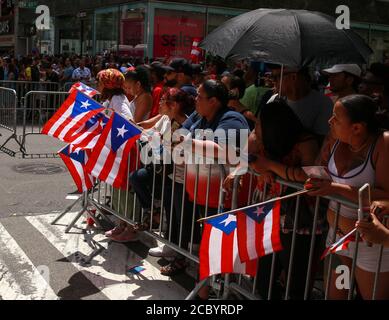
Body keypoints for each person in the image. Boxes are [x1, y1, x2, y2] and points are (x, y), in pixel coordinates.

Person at [306, 94, 389, 300]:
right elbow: (318, 170)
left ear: (357, 128)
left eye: (336, 118)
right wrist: (315, 182)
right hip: (337, 240)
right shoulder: (336, 139)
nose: (329, 121)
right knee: (335, 296)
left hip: (370, 246)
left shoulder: (383, 143)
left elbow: (386, 195)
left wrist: (334, 188)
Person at [269, 66, 334, 141]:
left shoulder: (324, 104)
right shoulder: (274, 100)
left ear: (293, 77)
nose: (272, 81)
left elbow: (323, 142)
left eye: (276, 77)